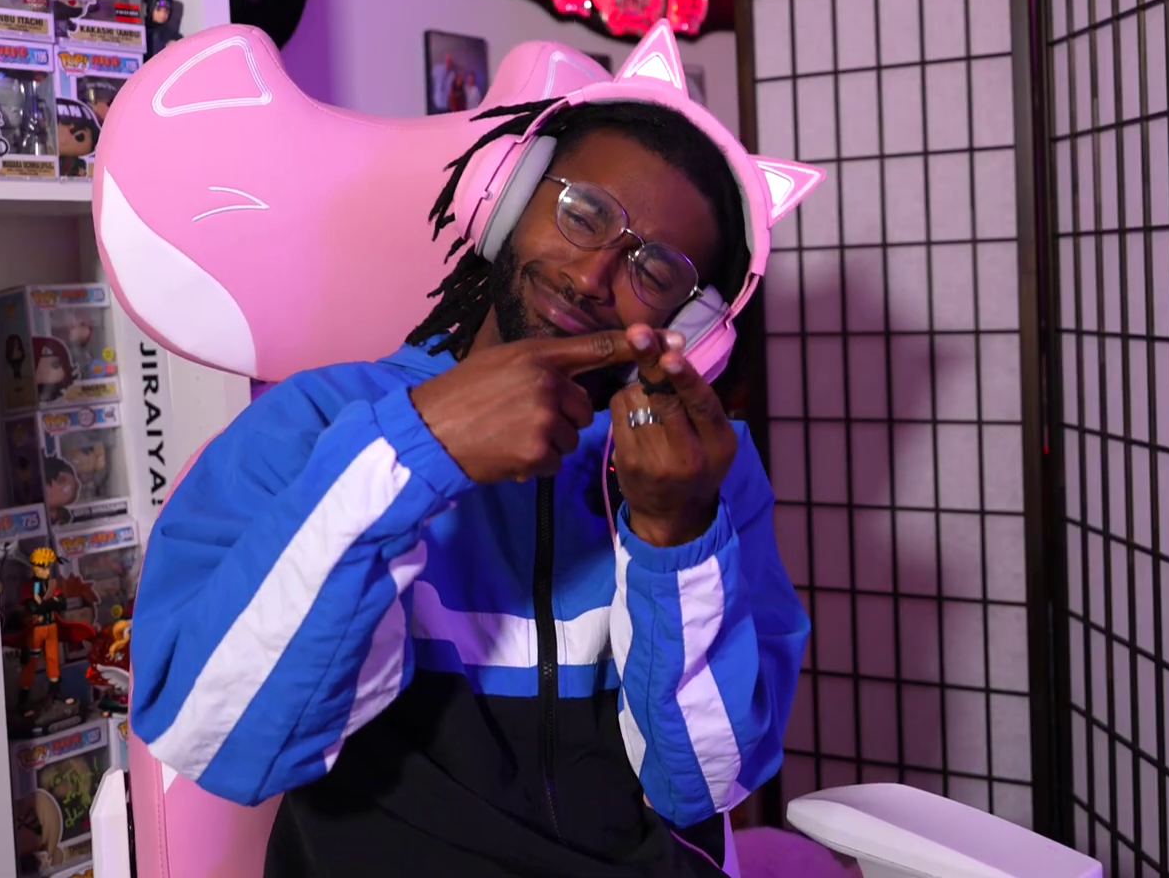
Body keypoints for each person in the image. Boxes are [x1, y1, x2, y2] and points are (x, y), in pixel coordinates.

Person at [131, 99, 809, 877]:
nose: (592, 277)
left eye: (652, 271)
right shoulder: (317, 419)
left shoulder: (702, 470)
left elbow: (700, 785)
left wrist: (675, 535)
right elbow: (217, 738)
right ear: (507, 197)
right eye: (583, 214)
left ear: (694, 324)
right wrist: (416, 451)